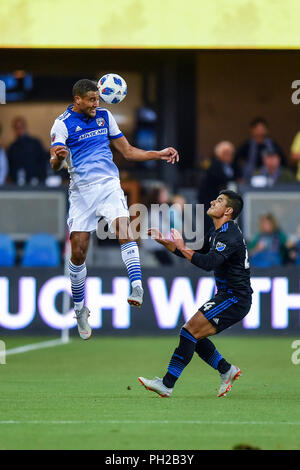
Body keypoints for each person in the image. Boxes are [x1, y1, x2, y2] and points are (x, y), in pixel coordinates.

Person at [50, 79, 179, 340]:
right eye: (91, 100)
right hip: (81, 192)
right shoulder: (61, 124)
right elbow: (54, 163)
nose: (97, 104)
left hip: (109, 184)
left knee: (124, 227)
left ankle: (136, 285)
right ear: (78, 100)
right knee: (78, 252)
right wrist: (59, 158)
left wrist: (158, 153)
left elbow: (128, 152)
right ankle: (79, 309)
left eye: (98, 99)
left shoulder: (105, 117)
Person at [139, 190, 252, 398]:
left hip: (235, 298)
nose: (212, 201)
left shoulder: (229, 235)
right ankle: (226, 370)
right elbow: (196, 254)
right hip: (228, 295)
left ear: (228, 210)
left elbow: (208, 264)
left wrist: (181, 247)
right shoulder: (218, 231)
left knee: (189, 331)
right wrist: (168, 244)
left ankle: (167, 384)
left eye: (218, 200)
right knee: (193, 335)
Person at [198, 141, 236, 232]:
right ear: (220, 154)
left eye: (231, 154)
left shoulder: (230, 166)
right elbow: (219, 180)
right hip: (211, 202)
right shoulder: (213, 165)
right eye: (227, 153)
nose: (230, 156)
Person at [234, 117, 286, 183]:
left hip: (270, 177)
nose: (260, 131)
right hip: (249, 176)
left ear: (266, 130)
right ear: (252, 130)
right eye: (257, 129)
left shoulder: (272, 144)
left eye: (262, 129)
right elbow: (235, 160)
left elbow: (283, 159)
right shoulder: (246, 145)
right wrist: (239, 176)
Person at [7, 116, 48, 185]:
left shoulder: (35, 143)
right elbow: (10, 166)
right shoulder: (12, 147)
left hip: (36, 181)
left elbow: (43, 161)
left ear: (25, 127)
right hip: (17, 183)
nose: (19, 130)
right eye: (17, 128)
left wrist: (41, 178)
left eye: (21, 127)